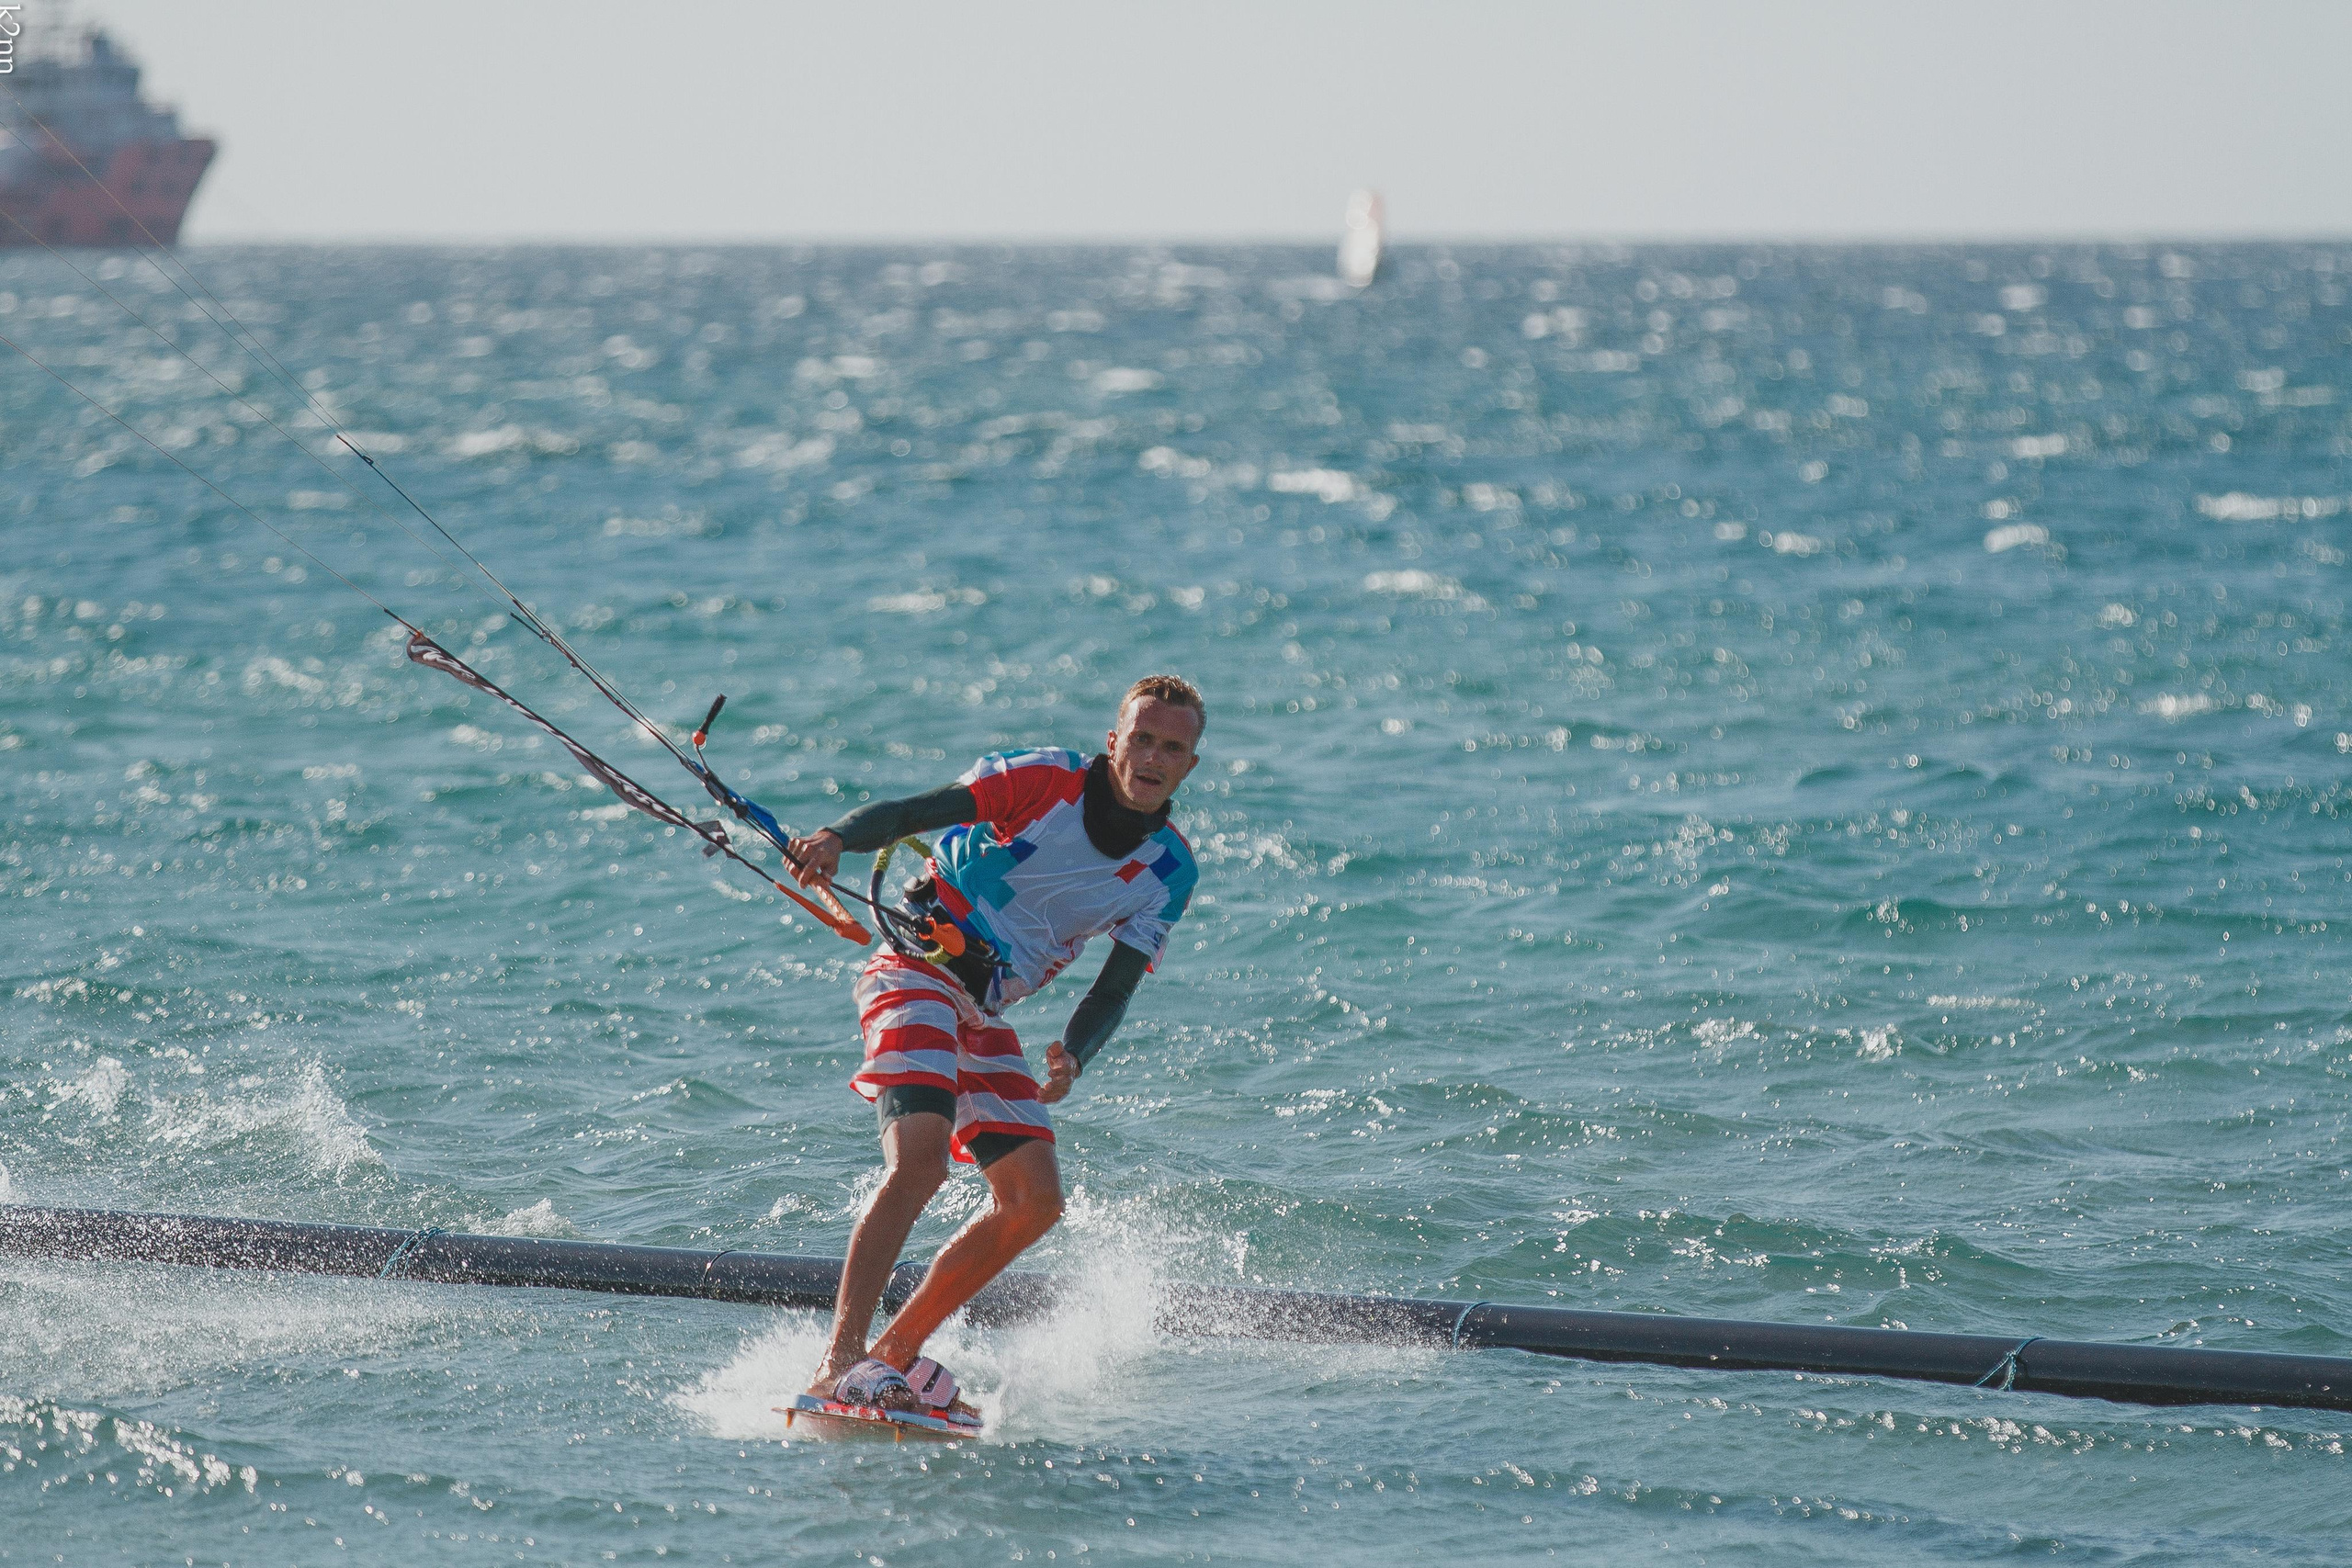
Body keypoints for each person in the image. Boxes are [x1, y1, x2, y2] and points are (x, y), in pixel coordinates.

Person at [785, 674, 1204, 1418]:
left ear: (1189, 764)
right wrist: (840, 836)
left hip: (982, 1008)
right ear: (1114, 742)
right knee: (919, 1161)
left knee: (1034, 1201)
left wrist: (1076, 1052)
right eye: (1141, 738)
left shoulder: (1169, 871)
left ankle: (890, 1360)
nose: (1152, 756)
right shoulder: (1044, 781)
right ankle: (838, 1363)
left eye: (1171, 746)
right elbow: (923, 808)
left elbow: (1116, 988)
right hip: (915, 966)